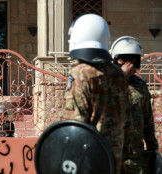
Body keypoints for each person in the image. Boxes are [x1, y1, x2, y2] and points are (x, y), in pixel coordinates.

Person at [64, 14, 132, 174]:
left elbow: (76, 125)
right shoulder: (120, 75)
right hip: (113, 159)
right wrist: (123, 158)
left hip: (89, 160)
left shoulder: (80, 74)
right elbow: (128, 122)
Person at [110, 36, 159, 173]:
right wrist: (122, 77)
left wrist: (152, 150)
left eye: (132, 60)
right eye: (123, 60)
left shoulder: (141, 86)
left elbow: (148, 121)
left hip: (136, 157)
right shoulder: (107, 83)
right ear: (115, 60)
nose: (128, 65)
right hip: (113, 156)